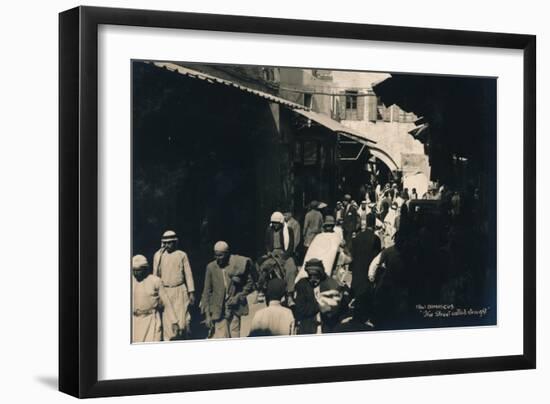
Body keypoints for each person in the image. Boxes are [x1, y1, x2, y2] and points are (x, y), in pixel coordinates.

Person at [201, 241, 254, 339]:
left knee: (235, 337)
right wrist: (207, 315)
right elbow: (206, 292)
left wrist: (238, 297)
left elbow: (250, 284)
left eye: (220, 256)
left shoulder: (237, 263)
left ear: (227, 254)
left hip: (234, 309)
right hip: (218, 310)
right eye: (216, 255)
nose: (218, 258)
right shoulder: (211, 267)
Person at [152, 230, 195, 340]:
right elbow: (155, 276)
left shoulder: (182, 255)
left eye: (170, 242)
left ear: (175, 242)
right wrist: (157, 295)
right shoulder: (158, 256)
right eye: (165, 243)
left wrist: (191, 292)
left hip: (180, 291)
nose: (167, 245)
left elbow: (188, 274)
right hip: (165, 293)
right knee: (169, 325)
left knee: (184, 322)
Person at [132, 255, 179, 342]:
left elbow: (167, 302)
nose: (135, 273)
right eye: (133, 270)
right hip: (134, 323)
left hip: (152, 322)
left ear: (145, 269)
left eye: (138, 270)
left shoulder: (155, 281)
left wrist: (174, 322)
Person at [350, 213, 381, 323]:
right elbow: (378, 258)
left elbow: (352, 254)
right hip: (368, 269)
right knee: (367, 295)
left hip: (357, 269)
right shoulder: (376, 238)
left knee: (359, 294)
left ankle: (356, 318)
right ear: (374, 224)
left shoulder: (358, 237)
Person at [263, 211, 299, 303]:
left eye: (277, 223)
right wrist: (268, 252)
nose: (275, 225)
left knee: (292, 269)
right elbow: (267, 243)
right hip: (273, 254)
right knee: (263, 267)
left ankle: (290, 294)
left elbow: (291, 245)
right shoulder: (269, 230)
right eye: (273, 223)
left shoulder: (288, 230)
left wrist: (285, 256)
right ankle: (262, 290)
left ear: (281, 222)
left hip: (285, 254)